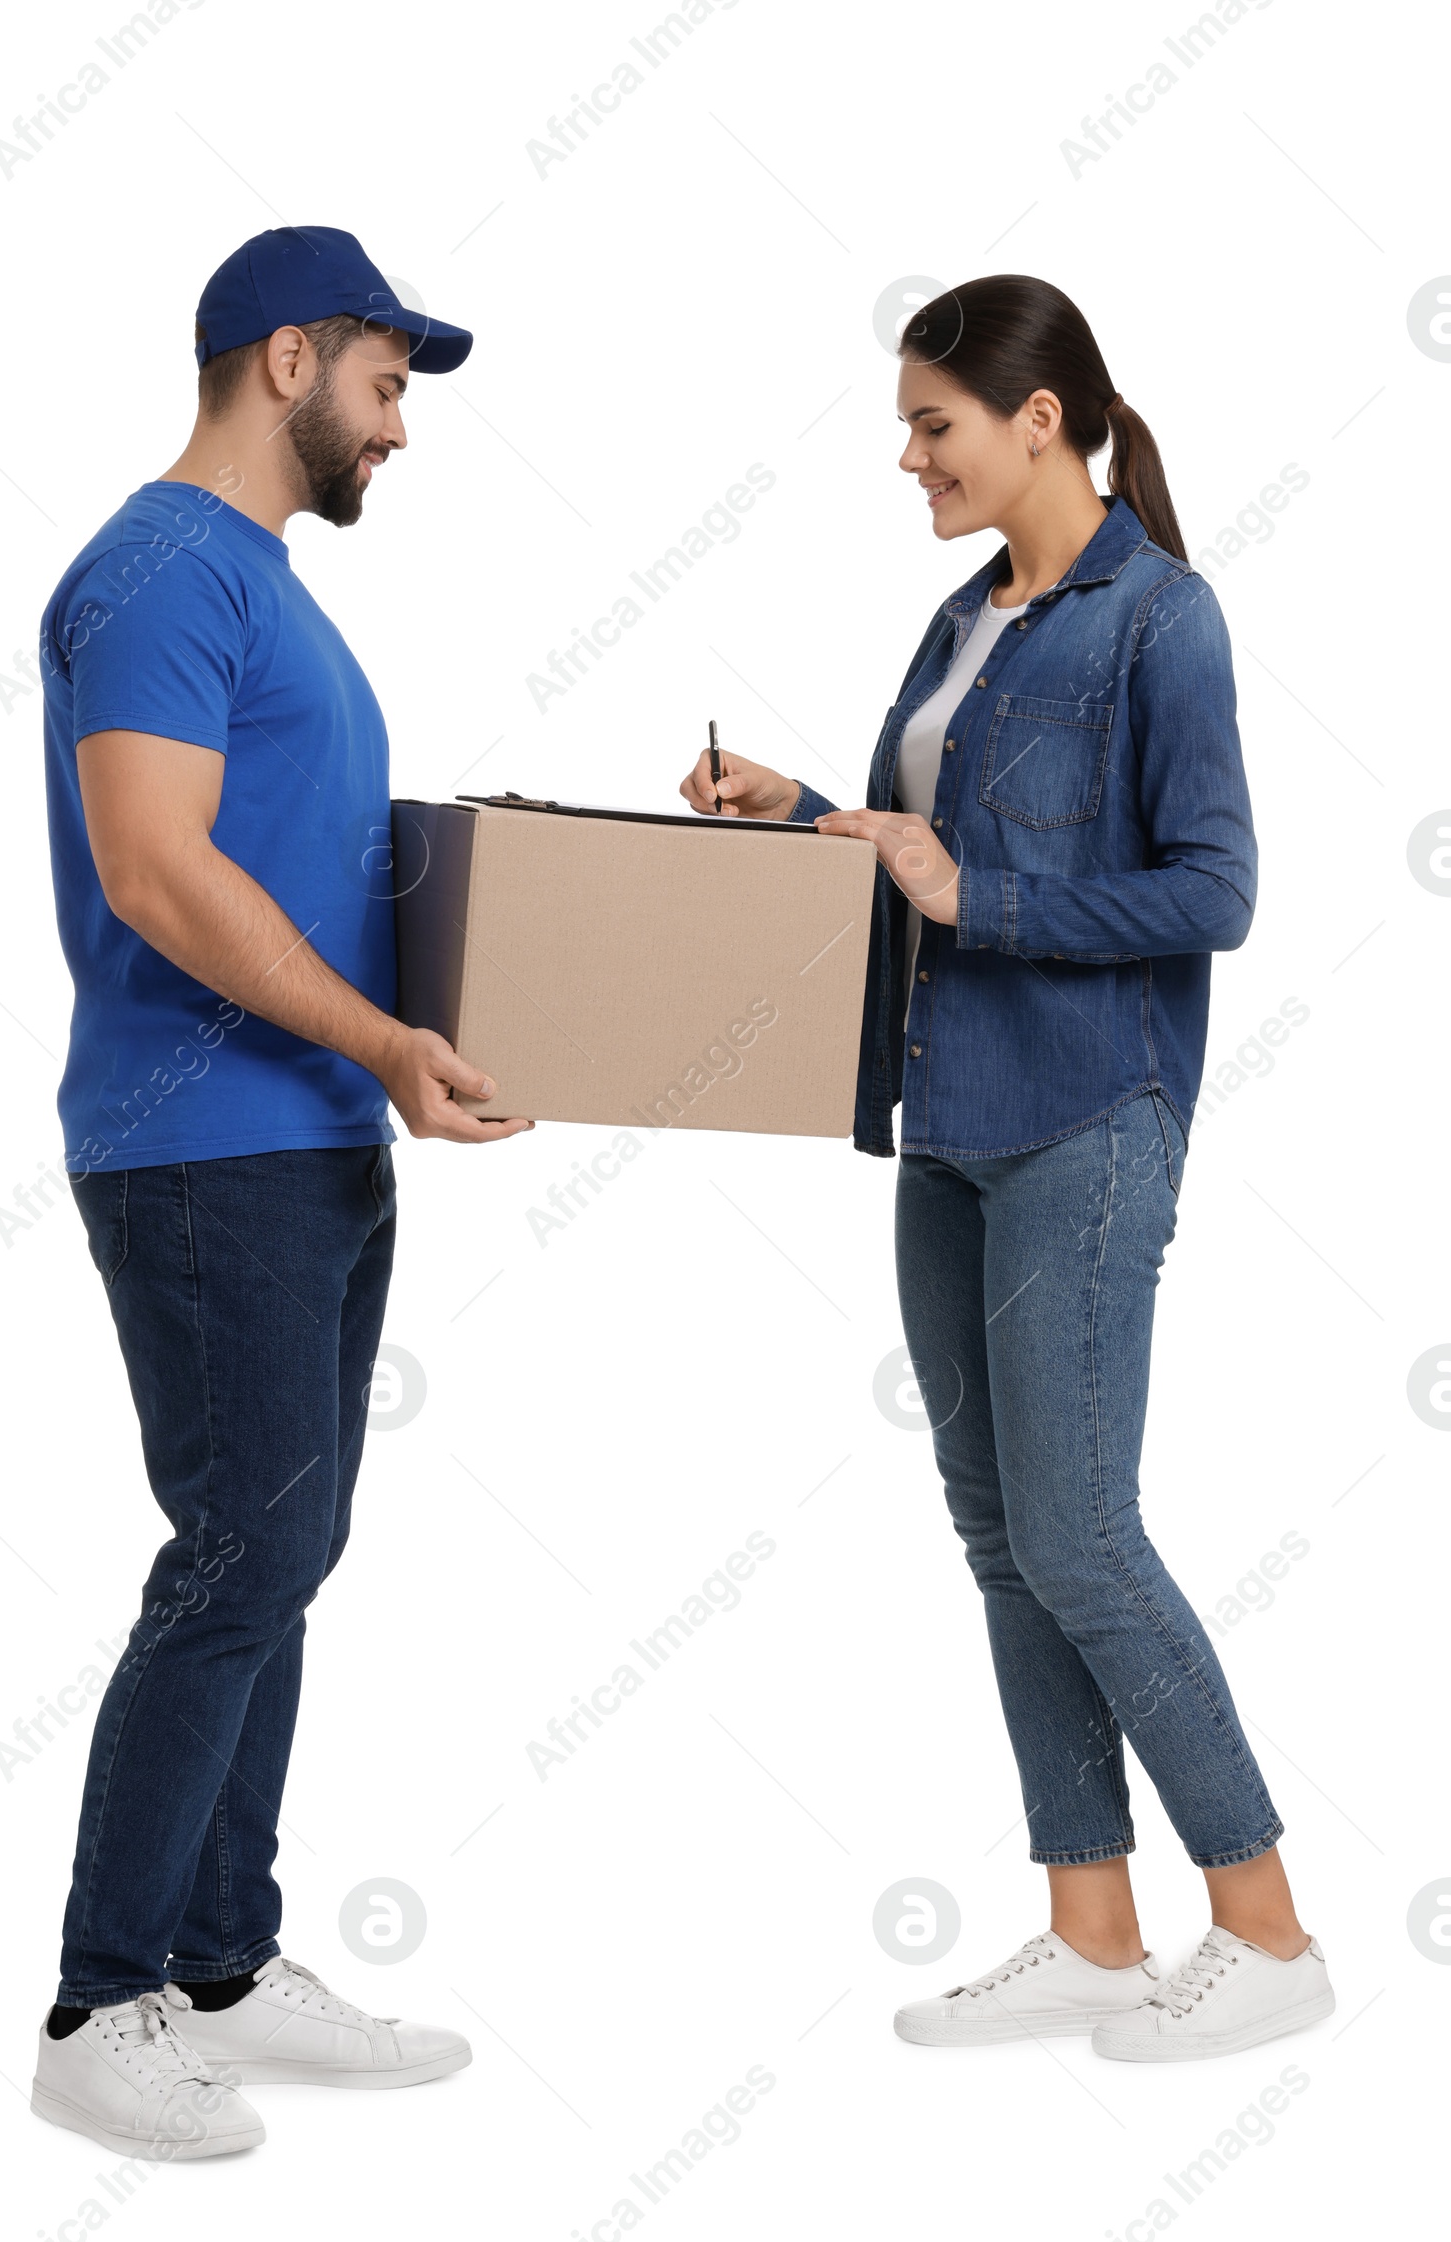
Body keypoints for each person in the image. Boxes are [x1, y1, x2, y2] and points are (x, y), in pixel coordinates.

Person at [680, 275, 1334, 2062]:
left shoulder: (1160, 619)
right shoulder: (966, 618)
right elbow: (929, 851)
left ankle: (1269, 1931)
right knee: (998, 1537)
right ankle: (1094, 1927)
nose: (909, 457)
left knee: (1082, 1533)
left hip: (1088, 1125)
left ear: (1038, 416)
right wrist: (812, 819)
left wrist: (982, 896)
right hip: (943, 1125)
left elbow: (1218, 893)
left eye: (932, 425)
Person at [30, 226, 532, 2160]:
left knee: (287, 1552)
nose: (399, 431)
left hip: (307, 1137)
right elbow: (156, 870)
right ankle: (105, 1995)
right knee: (241, 1552)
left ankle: (223, 1960)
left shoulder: (261, 586)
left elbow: (312, 860)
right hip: (202, 1142)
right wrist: (392, 1043)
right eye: (389, 388)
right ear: (290, 359)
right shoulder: (156, 569)